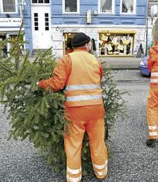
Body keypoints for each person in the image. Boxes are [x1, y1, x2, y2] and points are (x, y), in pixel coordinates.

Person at [37, 32, 108, 182]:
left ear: (72, 47)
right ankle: (101, 173)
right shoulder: (95, 60)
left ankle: (75, 178)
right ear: (87, 45)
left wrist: (40, 83)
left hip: (75, 110)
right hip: (96, 109)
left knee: (74, 144)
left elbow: (57, 84)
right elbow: (99, 78)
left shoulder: (67, 60)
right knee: (98, 141)